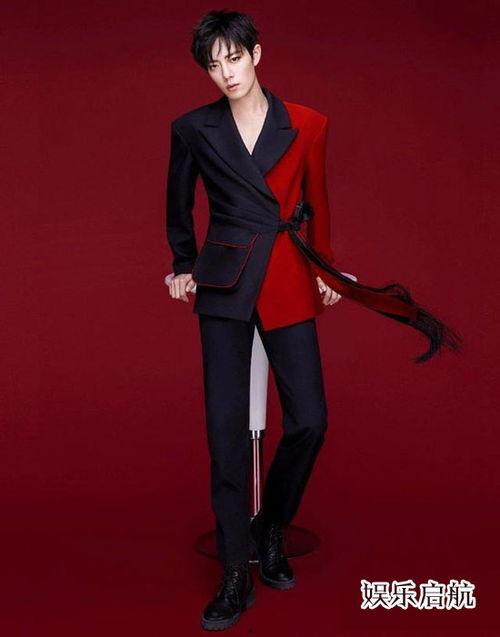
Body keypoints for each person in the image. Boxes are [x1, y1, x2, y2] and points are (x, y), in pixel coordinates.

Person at [165, 9, 462, 632]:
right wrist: (183, 264)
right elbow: (178, 204)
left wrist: (325, 270)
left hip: (286, 274)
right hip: (223, 284)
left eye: (234, 58)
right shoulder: (192, 128)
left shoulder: (307, 122)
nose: (226, 73)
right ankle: (235, 572)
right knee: (223, 433)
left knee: (310, 420)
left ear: (256, 54)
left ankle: (271, 525)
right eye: (214, 65)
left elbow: (317, 201)